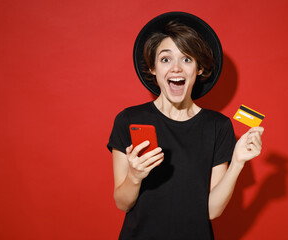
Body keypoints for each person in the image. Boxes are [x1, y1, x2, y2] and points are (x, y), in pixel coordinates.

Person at [107, 12, 264, 240]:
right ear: (152, 68)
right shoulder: (128, 120)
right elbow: (122, 203)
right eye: (165, 59)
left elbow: (212, 210)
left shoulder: (218, 126)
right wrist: (134, 175)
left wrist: (237, 162)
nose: (176, 68)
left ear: (199, 69)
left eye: (187, 59)